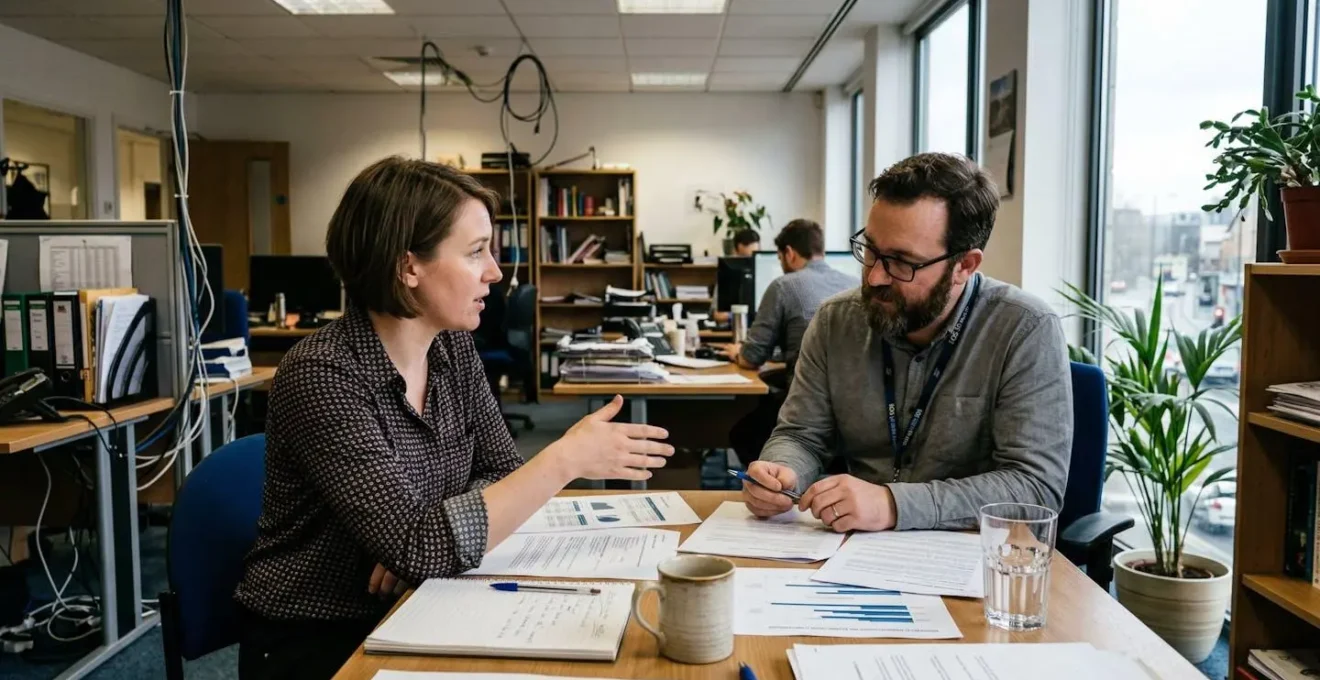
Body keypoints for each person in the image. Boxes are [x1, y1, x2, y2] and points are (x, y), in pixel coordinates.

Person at [234, 157, 673, 680]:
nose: (495, 271)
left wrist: (422, 540)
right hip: (319, 635)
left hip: (425, 597)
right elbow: (426, 541)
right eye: (474, 252)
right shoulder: (323, 375)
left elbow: (500, 473)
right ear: (408, 267)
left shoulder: (453, 349)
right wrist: (564, 459)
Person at [740, 153, 1072, 533]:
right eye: (871, 250)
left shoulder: (1024, 330)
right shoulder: (835, 321)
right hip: (854, 551)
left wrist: (893, 505)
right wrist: (783, 471)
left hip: (972, 559)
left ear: (964, 266)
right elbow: (801, 435)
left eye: (902, 262)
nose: (875, 277)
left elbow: (1034, 487)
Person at [721, 219, 856, 467]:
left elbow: (752, 357)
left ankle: (773, 488)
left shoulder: (783, 285)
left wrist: (738, 352)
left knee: (741, 434)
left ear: (789, 253)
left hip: (808, 405)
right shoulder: (855, 284)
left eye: (781, 259)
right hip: (855, 409)